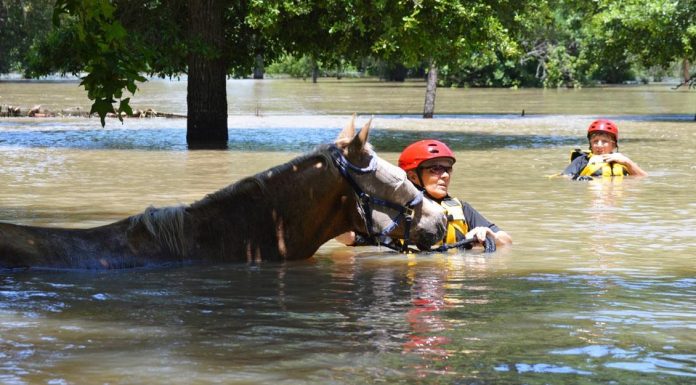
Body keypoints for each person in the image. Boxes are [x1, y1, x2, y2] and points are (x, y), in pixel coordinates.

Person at [335, 139, 512, 249]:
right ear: (412, 176)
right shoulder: (394, 210)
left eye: (447, 169)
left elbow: (507, 241)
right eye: (435, 169)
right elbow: (350, 239)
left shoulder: (461, 208)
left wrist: (490, 235)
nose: (444, 175)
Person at [562, 119, 647, 179]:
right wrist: (580, 179)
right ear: (590, 144)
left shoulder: (622, 161)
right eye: (595, 141)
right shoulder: (582, 160)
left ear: (613, 145)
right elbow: (563, 178)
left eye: (604, 141)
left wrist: (628, 162)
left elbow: (644, 178)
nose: (599, 145)